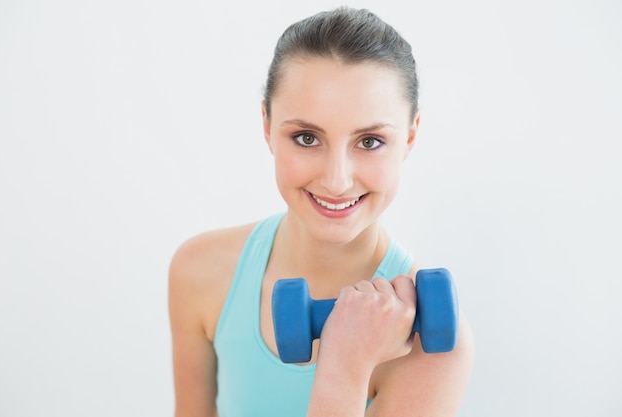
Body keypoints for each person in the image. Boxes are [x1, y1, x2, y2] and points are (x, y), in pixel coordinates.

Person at [169, 6, 474, 417]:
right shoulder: (200, 271)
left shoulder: (433, 342)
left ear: (410, 138)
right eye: (307, 137)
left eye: (369, 142)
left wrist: (347, 365)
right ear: (266, 126)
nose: (336, 180)